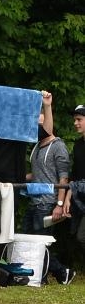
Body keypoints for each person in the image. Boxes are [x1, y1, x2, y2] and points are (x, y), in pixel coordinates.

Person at [23, 97, 76, 285]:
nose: (38, 127)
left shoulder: (58, 146)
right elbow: (37, 174)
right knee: (28, 240)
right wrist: (18, 177)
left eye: (41, 123)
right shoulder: (37, 146)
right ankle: (60, 273)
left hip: (48, 202)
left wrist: (59, 204)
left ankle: (52, 274)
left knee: (39, 242)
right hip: (33, 201)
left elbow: (64, 178)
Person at [64, 104, 85, 259]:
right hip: (80, 199)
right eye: (74, 120)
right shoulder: (78, 145)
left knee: (81, 236)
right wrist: (67, 198)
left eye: (79, 119)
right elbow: (74, 176)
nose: (75, 123)